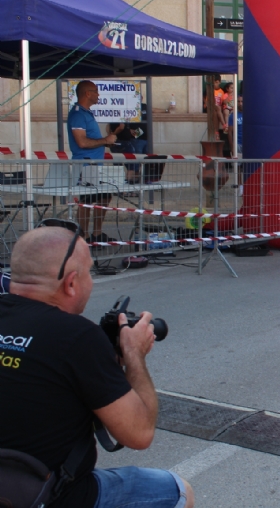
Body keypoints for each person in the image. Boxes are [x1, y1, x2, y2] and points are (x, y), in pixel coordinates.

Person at [0, 223, 194, 507]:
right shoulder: (76, 337)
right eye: (88, 272)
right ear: (70, 283)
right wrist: (133, 355)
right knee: (178, 490)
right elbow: (139, 434)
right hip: (47, 497)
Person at [68, 80, 117, 242]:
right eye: (96, 91)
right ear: (87, 93)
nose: (98, 95)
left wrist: (106, 141)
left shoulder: (86, 113)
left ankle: (96, 233)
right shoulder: (77, 114)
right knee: (86, 200)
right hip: (85, 164)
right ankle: (83, 235)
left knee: (103, 196)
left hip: (95, 164)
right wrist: (104, 140)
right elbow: (82, 142)